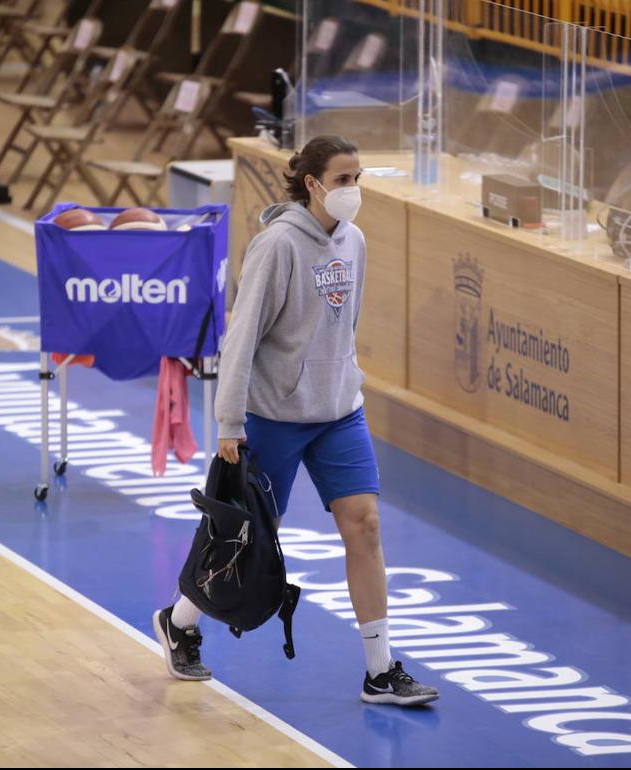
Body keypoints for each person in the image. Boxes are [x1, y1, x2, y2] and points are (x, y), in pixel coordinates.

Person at [153, 135, 439, 707]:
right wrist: (229, 420)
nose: (353, 190)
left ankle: (379, 671)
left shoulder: (354, 241)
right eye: (342, 180)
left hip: (338, 412)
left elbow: (344, 326)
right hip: (273, 415)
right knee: (245, 535)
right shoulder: (277, 246)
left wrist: (341, 380)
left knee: (366, 526)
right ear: (312, 184)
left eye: (358, 179)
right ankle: (180, 620)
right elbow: (242, 336)